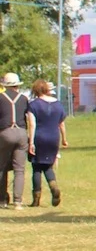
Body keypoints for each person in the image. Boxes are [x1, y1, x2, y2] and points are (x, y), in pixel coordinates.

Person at [27, 79, 67, 207]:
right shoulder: (58, 104)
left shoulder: (33, 104)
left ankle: (36, 199)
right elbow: (61, 124)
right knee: (48, 166)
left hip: (39, 137)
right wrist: (64, 139)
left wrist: (31, 142)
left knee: (37, 168)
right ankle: (53, 186)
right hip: (53, 137)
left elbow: (32, 124)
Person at [0, 72, 32, 209]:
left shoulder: (1, 98)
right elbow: (29, 118)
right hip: (21, 132)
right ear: (17, 85)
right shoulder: (24, 98)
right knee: (19, 169)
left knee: (2, 167)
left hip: (5, 132)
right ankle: (18, 201)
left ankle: (2, 200)